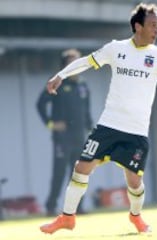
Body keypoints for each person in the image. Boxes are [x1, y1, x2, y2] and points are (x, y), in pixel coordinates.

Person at [39, 3, 157, 234]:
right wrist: (61, 75)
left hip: (137, 132)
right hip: (108, 126)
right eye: (152, 25)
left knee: (134, 182)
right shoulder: (115, 49)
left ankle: (136, 217)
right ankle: (67, 217)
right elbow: (86, 62)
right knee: (81, 168)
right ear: (137, 26)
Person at [36, 49, 92, 216]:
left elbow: (86, 110)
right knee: (59, 174)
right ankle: (50, 206)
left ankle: (78, 208)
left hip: (79, 137)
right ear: (64, 66)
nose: (75, 64)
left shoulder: (83, 85)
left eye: (77, 61)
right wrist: (50, 124)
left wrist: (90, 127)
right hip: (62, 138)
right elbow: (40, 104)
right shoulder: (57, 83)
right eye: (71, 62)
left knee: (79, 173)